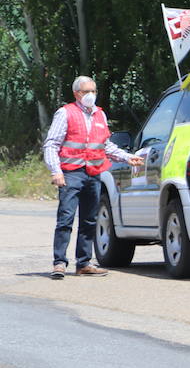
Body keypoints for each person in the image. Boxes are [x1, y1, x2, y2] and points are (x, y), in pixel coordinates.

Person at [42, 76, 145, 279]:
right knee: (66, 218)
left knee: (89, 220)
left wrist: (127, 157)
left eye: (93, 91)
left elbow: (105, 145)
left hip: (94, 173)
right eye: (85, 91)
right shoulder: (65, 113)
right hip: (71, 172)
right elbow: (51, 144)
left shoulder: (100, 115)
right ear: (76, 94)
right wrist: (56, 171)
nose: (90, 95)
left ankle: (83, 263)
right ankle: (59, 263)